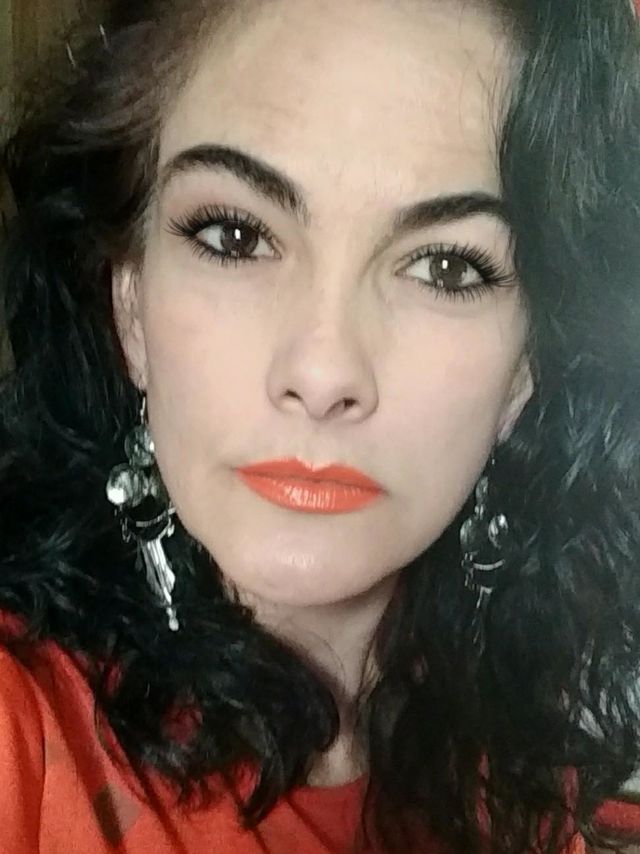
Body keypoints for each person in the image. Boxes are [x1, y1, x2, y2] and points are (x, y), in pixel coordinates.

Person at [1, 0, 640, 850]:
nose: (323, 371)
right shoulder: (21, 733)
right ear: (131, 306)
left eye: (446, 267)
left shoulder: (520, 746)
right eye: (235, 235)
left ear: (525, 367)